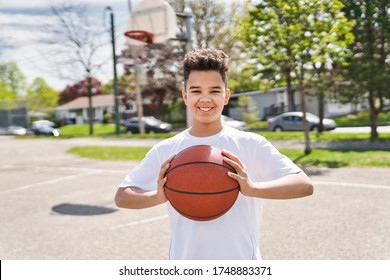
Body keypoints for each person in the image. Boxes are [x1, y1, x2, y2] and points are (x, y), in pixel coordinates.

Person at [115, 48, 314, 260]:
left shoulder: (250, 144)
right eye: (196, 90)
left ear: (226, 96)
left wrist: (252, 188)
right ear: (185, 96)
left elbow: (304, 184)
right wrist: (156, 197)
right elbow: (122, 196)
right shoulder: (166, 150)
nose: (205, 99)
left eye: (214, 90)